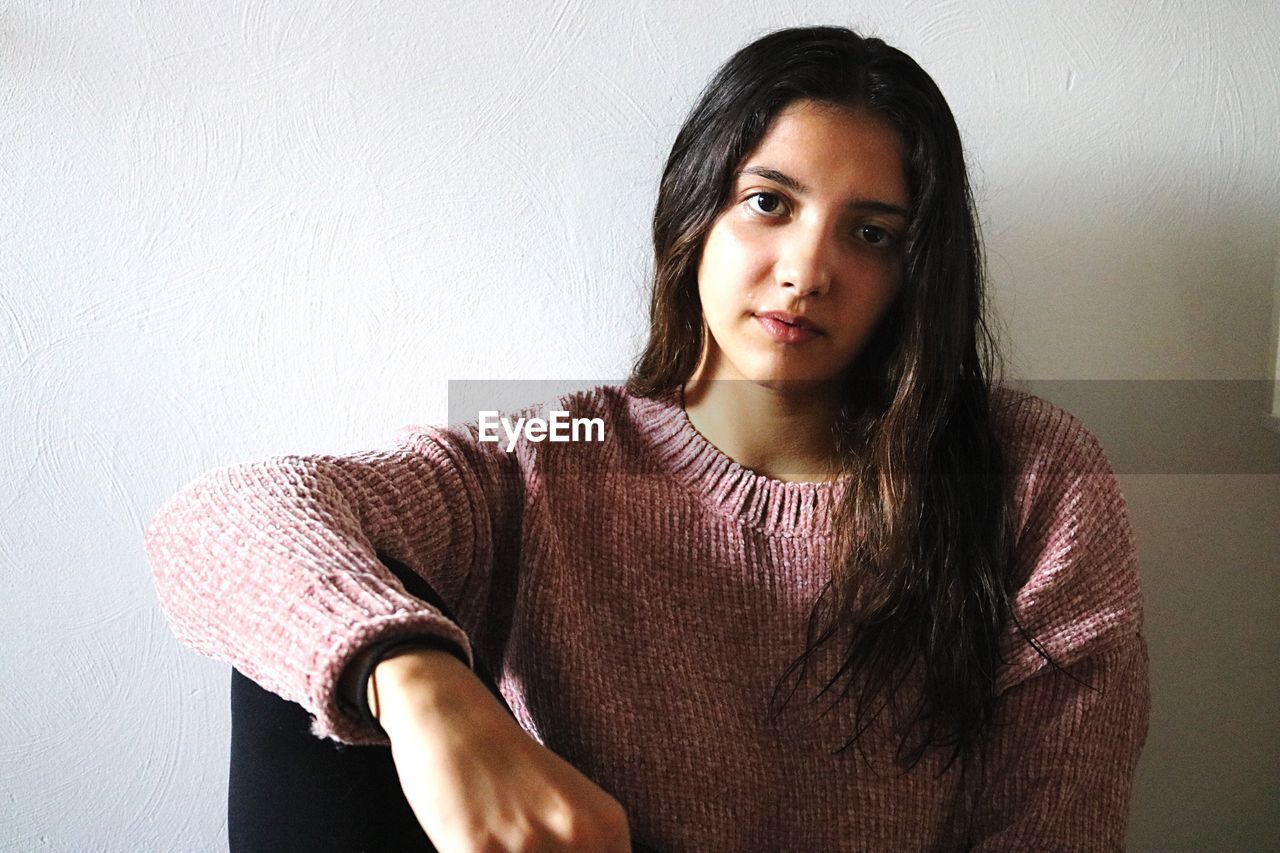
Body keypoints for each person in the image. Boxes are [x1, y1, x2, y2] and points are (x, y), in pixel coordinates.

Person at [144, 25, 1150, 852]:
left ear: (912, 272)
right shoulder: (564, 441)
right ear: (695, 209)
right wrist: (419, 682)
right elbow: (222, 518)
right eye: (768, 203)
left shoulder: (1026, 471)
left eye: (871, 233)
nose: (805, 269)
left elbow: (1055, 822)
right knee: (313, 659)